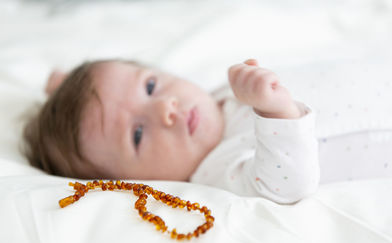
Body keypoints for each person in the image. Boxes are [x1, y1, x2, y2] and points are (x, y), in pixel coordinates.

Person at [23, 58, 319, 204]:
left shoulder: (221, 94)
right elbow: (287, 186)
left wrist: (61, 86)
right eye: (137, 134)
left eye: (151, 86)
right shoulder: (215, 172)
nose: (165, 107)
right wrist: (276, 111)